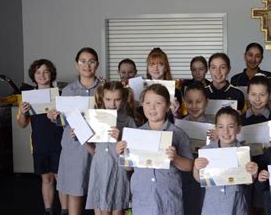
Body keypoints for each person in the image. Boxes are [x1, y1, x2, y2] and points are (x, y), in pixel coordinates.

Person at [115, 84, 193, 214]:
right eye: (147, 103)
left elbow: (189, 166)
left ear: (168, 106)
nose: (152, 107)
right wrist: (121, 153)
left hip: (169, 199)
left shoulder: (178, 134)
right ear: (142, 105)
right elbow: (129, 167)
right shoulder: (135, 135)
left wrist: (176, 158)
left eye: (158, 103)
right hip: (143, 199)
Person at [54, 47, 102, 215]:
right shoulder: (67, 91)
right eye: (82, 61)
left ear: (97, 64)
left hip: (98, 144)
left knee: (99, 191)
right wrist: (55, 116)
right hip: (73, 146)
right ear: (76, 64)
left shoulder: (104, 88)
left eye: (91, 61)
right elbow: (62, 122)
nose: (87, 65)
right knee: (75, 191)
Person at [17, 59, 65, 215]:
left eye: (45, 71)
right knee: (46, 179)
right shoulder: (27, 98)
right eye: (38, 72)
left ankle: (65, 211)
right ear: (33, 75)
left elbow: (69, 122)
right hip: (39, 144)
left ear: (51, 74)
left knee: (61, 179)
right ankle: (48, 211)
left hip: (60, 143)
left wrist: (59, 117)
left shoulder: (61, 95)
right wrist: (24, 112)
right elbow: (22, 124)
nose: (42, 75)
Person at [193, 107, 259, 215]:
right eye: (221, 127)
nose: (226, 131)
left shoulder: (243, 152)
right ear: (216, 129)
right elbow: (199, 179)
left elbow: (247, 181)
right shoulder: (206, 151)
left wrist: (254, 173)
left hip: (236, 205)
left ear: (239, 129)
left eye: (231, 126)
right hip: (212, 205)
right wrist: (196, 168)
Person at [85, 82, 136, 215]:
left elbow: (134, 157)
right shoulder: (95, 119)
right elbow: (94, 151)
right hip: (99, 168)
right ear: (102, 99)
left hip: (118, 171)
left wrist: (119, 140)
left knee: (117, 208)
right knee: (100, 208)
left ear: (123, 99)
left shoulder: (129, 121)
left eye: (117, 100)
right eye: (108, 99)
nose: (112, 104)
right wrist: (81, 137)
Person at [240, 75, 271, 214]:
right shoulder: (239, 119)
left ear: (269, 95)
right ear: (248, 95)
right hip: (245, 172)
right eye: (253, 94)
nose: (257, 99)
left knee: (264, 208)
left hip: (267, 173)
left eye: (262, 95)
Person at [180, 81, 214, 215]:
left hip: (208, 177)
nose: (194, 106)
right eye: (189, 101)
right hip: (184, 178)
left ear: (207, 102)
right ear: (184, 102)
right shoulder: (178, 126)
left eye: (198, 101)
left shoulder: (217, 126)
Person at [145, 47, 182, 119]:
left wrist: (175, 113)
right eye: (152, 64)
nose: (155, 68)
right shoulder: (139, 88)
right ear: (148, 68)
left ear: (165, 68)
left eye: (160, 64)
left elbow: (180, 120)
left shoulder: (175, 91)